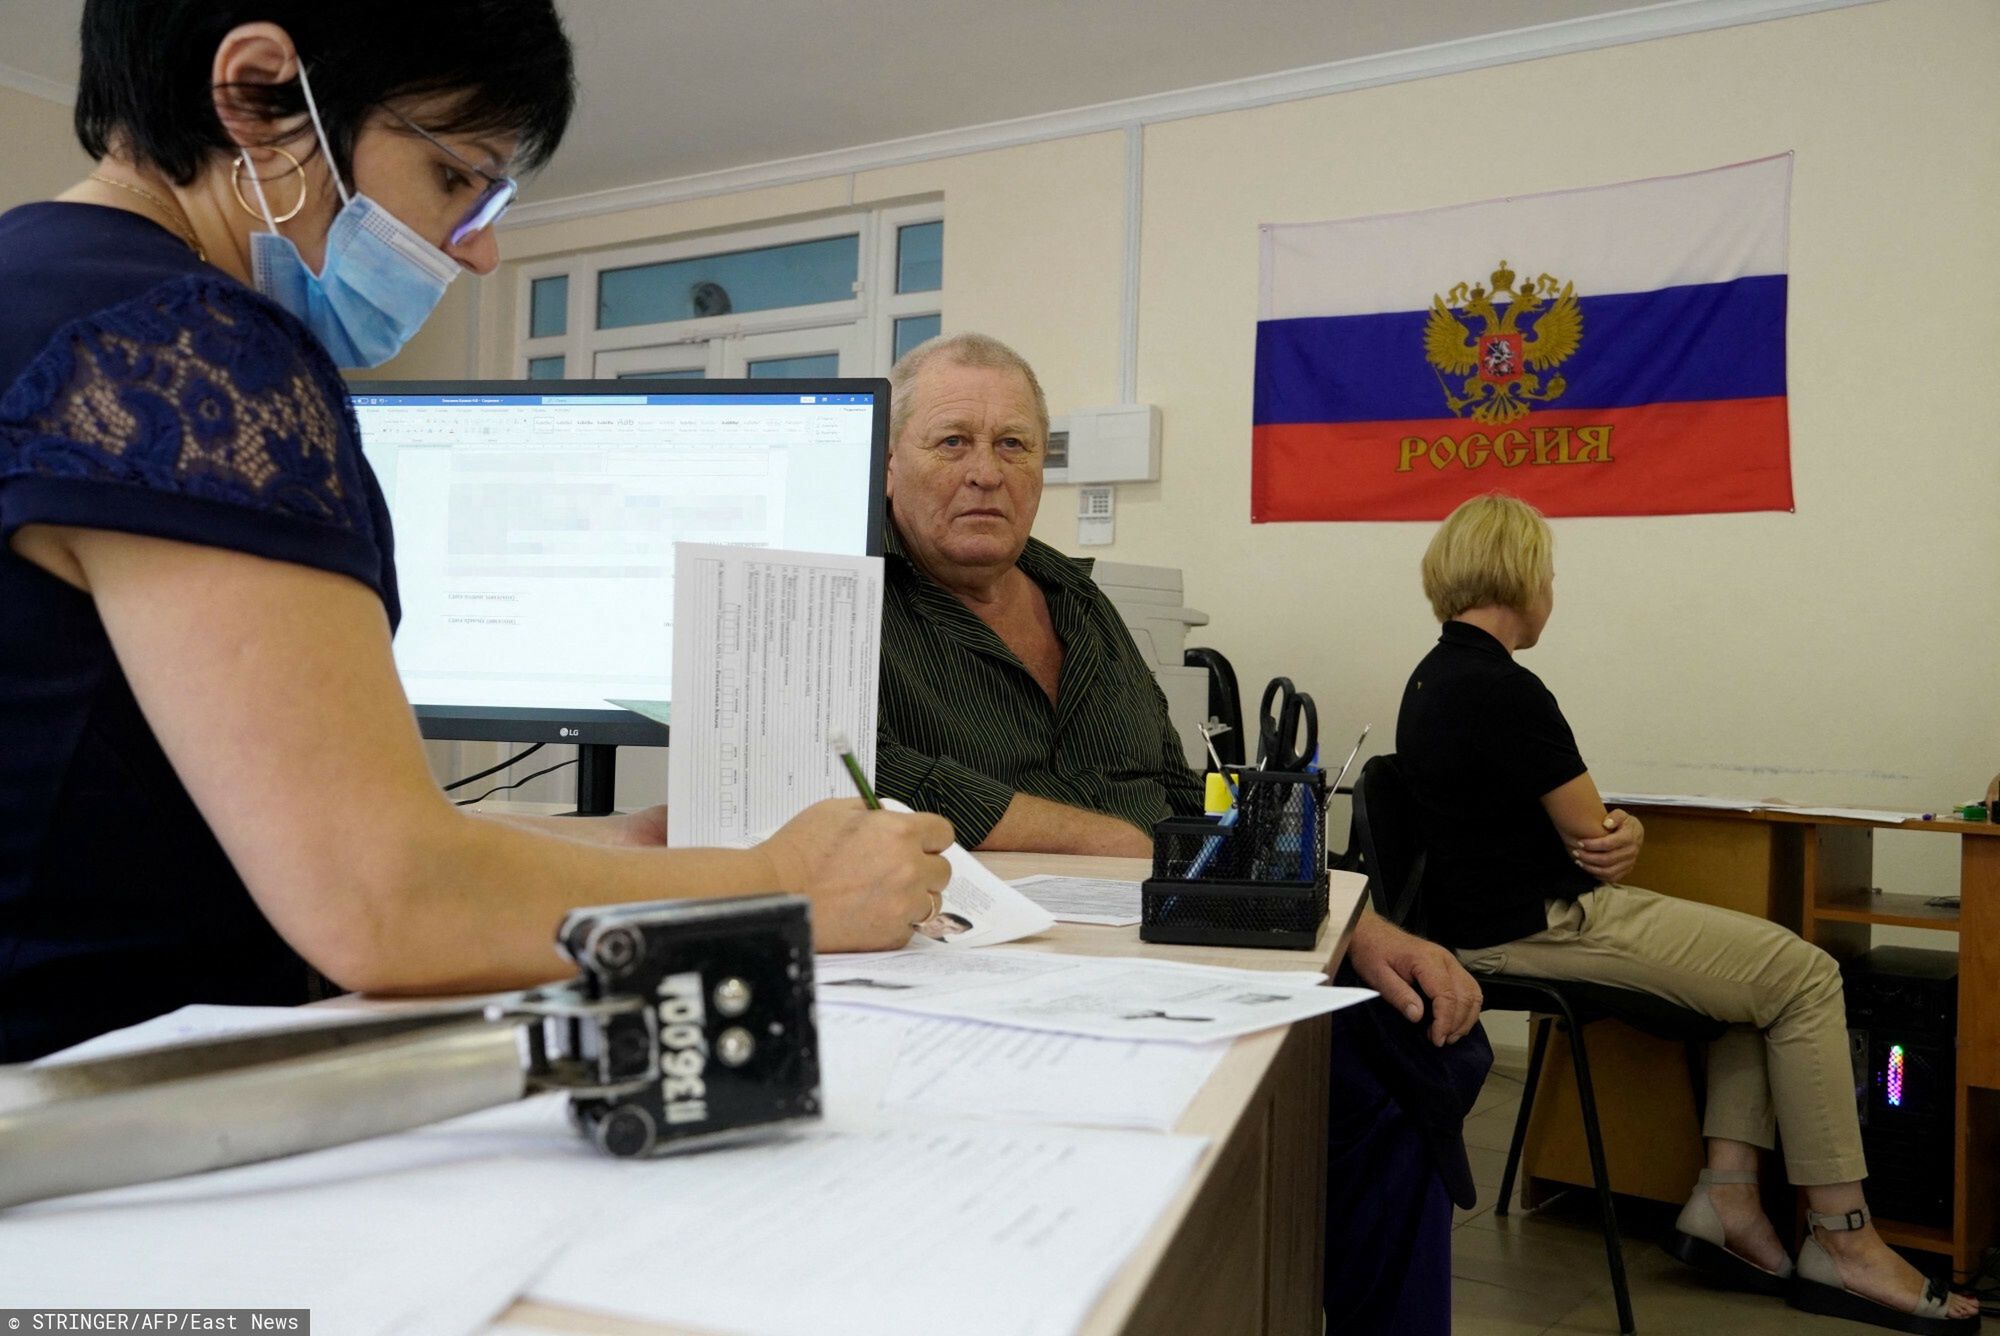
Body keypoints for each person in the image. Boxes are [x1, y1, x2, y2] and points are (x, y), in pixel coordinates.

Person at [0, 0, 951, 1066]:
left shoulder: (33, 286)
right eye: (456, 178)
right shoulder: (193, 351)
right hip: (86, 1141)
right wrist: (787, 885)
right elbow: (382, 901)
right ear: (257, 96)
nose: (483, 250)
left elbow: (151, 819)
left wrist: (589, 860)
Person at [875, 331, 1489, 1334]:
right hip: (1007, 979)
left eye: (1015, 445)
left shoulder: (1083, 601)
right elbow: (888, 783)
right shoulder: (856, 605)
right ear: (890, 460)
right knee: (1377, 1093)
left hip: (1180, 938)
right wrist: (1121, 847)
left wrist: (1348, 916)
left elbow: (1184, 788)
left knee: (1402, 1045)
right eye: (951, 442)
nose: (986, 471)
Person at [1397, 493, 1978, 1333]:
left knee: (1755, 985)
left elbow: (1553, 828)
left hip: (1478, 926)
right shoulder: (1503, 688)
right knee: (1807, 976)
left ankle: (1729, 1201)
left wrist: (1610, 835)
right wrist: (1621, 831)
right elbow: (1595, 835)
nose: (1553, 590)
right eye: (1550, 573)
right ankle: (1845, 1243)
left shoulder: (1433, 677)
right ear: (1524, 578)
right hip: (1541, 929)